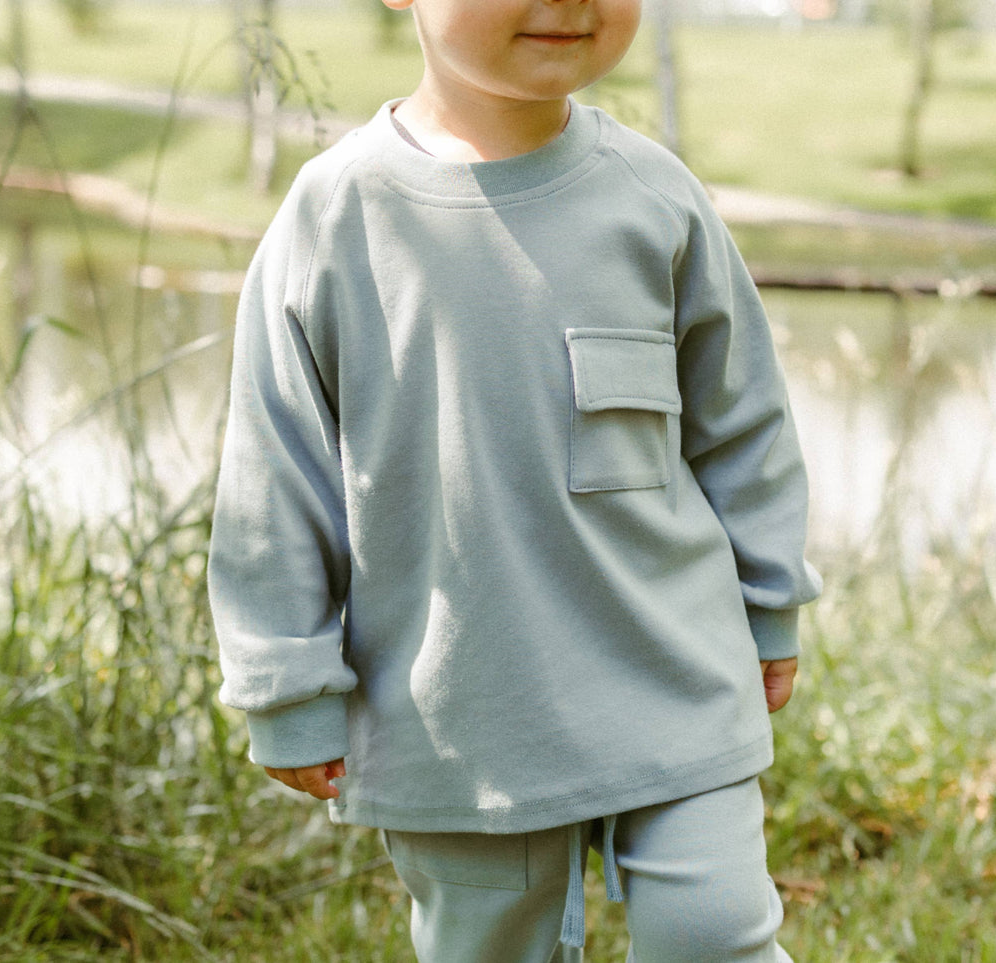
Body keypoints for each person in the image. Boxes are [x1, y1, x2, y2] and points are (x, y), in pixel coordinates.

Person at [207, 0, 823, 959]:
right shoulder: (335, 215)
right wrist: (284, 683)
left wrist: (770, 601)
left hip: (676, 672)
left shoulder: (654, 197)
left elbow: (743, 424)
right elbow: (274, 474)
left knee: (712, 933)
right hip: (461, 713)